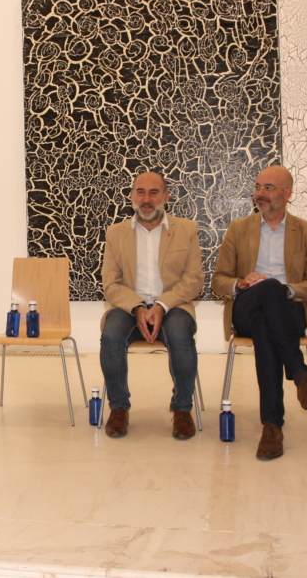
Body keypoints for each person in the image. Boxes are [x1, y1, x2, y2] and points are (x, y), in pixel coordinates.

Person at [211, 166, 307, 460]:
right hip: (246, 304)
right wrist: (242, 282)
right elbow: (218, 281)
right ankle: (300, 376)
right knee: (265, 290)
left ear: (287, 193)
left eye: (269, 188)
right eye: (258, 187)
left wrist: (285, 290)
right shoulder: (238, 229)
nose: (260, 193)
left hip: (289, 309)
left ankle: (272, 426)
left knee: (266, 317)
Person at [100, 171, 205, 440]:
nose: (147, 199)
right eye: (141, 192)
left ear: (166, 197)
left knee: (180, 334)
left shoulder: (187, 229)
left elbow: (194, 279)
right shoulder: (116, 233)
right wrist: (137, 308)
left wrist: (161, 305)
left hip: (173, 305)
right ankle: (118, 407)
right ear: (131, 196)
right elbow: (110, 284)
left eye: (154, 192)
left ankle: (182, 409)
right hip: (129, 306)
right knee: (111, 333)